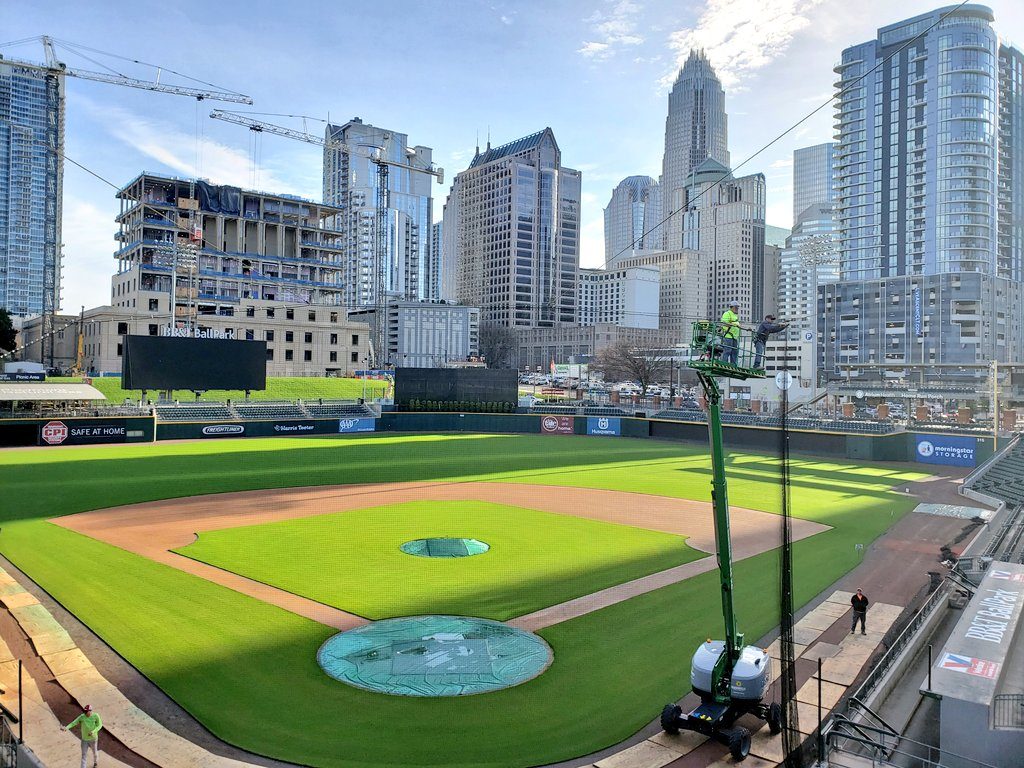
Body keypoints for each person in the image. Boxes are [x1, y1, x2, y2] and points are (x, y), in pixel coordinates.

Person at [62, 704, 102, 768]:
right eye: (84, 711)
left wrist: (93, 731)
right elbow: (73, 723)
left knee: (94, 752)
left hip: (93, 739)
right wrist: (66, 728)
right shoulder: (82, 717)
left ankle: (95, 762)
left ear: (90, 711)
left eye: (86, 711)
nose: (85, 713)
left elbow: (99, 725)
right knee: (84, 755)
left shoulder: (96, 716)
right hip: (84, 740)